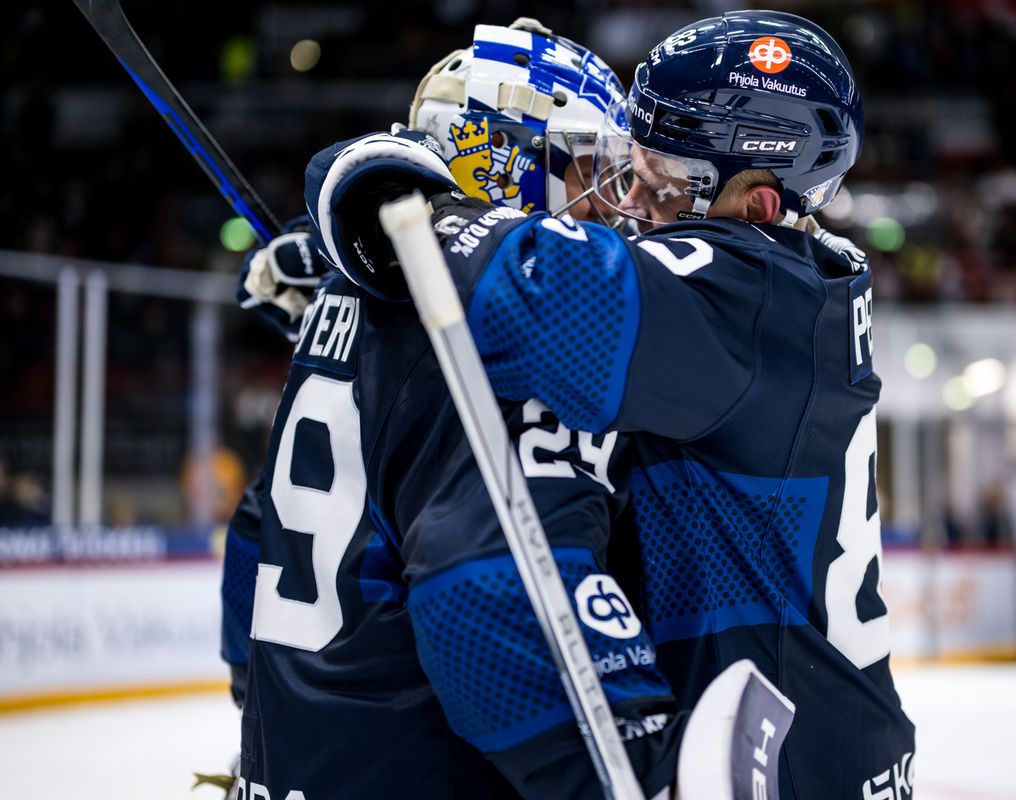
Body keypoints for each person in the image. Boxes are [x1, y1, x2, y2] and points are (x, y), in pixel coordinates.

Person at [310, 10, 914, 799]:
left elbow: (534, 304)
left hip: (783, 763)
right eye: (637, 171)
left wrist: (409, 203)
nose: (632, 204)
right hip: (795, 734)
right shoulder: (784, 298)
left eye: (667, 188)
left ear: (759, 207)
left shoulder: (746, 294)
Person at [222, 21, 787, 800]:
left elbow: (254, 536)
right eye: (587, 165)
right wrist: (633, 766)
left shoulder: (350, 300)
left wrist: (257, 721)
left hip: (299, 758)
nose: (614, 200)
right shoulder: (506, 345)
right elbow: (490, 587)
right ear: (500, 161)